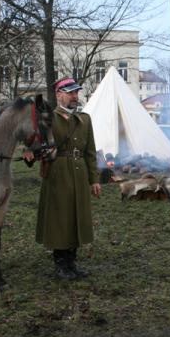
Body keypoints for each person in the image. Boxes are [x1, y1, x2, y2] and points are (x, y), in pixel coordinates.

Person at [35, 77, 101, 280]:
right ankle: (61, 263)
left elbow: (90, 152)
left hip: (80, 173)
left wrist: (94, 179)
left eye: (76, 92)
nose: (74, 96)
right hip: (57, 173)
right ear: (59, 95)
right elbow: (37, 146)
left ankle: (72, 261)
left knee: (76, 217)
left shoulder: (84, 119)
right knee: (60, 218)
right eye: (70, 92)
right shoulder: (48, 119)